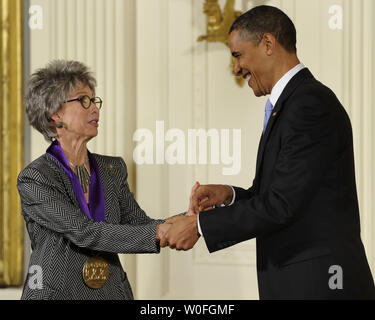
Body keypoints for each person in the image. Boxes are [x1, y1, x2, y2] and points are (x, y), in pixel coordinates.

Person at [161, 5, 375, 299]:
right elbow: (282, 197)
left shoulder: (309, 104)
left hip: (322, 283)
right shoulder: (292, 103)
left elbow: (282, 205)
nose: (235, 68)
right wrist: (229, 194)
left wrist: (199, 225)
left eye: (238, 55)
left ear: (268, 44)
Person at [18, 60, 172, 300]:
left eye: (94, 100)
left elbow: (138, 224)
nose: (95, 109)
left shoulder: (112, 168)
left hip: (112, 292)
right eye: (83, 101)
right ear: (54, 114)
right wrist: (160, 231)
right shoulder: (35, 178)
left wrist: (191, 220)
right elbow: (83, 231)